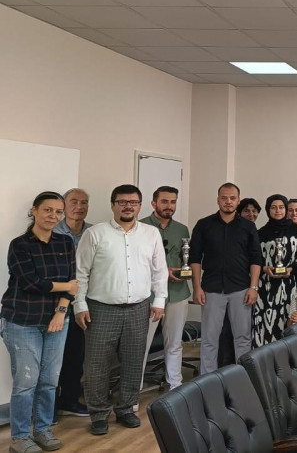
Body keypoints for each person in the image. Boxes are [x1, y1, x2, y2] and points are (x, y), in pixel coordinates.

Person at [75, 184, 168, 435]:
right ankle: (98, 414)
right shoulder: (95, 233)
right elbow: (81, 273)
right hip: (100, 309)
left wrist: (159, 300)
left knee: (133, 362)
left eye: (133, 202)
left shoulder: (151, 233)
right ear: (113, 205)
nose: (128, 206)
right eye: (122, 202)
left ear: (140, 205)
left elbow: (159, 271)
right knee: (96, 365)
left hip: (139, 308)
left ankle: (126, 408)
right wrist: (79, 304)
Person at [2, 192, 77, 453]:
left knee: (49, 380)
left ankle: (43, 429)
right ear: (34, 211)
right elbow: (31, 283)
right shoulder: (19, 245)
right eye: (47, 210)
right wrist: (66, 286)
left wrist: (60, 311)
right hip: (22, 321)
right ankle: (20, 437)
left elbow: (73, 280)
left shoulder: (66, 242)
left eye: (58, 212)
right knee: (26, 382)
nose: (53, 216)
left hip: (57, 320)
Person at [189, 183, 263, 374]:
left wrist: (253, 287)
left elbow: (256, 258)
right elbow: (194, 258)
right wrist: (196, 287)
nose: (228, 201)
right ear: (218, 200)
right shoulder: (204, 225)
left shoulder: (248, 227)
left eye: (232, 198)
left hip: (241, 289)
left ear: (238, 201)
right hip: (211, 289)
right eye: (224, 198)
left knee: (243, 338)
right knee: (209, 339)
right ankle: (207, 380)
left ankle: (242, 377)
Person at [138, 186, 190, 391]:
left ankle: (175, 386)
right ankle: (134, 392)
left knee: (175, 342)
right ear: (154, 203)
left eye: (173, 202)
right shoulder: (140, 226)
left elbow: (186, 259)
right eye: (165, 201)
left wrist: (184, 272)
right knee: (141, 344)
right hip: (148, 295)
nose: (169, 206)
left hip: (178, 292)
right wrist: (163, 271)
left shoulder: (182, 230)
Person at [52, 188, 91, 419]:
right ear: (65, 205)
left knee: (76, 354)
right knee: (52, 356)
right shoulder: (53, 230)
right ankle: (49, 405)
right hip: (55, 301)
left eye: (84, 202)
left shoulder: (94, 232)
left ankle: (69, 400)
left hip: (83, 301)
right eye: (74, 201)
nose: (79, 206)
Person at [253, 194, 297, 348]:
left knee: (288, 322)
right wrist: (264, 268)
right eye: (273, 207)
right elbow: (254, 259)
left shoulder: (296, 230)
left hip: (288, 287)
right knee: (265, 326)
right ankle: (264, 360)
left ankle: (287, 359)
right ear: (268, 210)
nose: (278, 210)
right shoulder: (260, 233)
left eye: (281, 207)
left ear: (286, 209)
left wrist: (291, 269)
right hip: (266, 288)